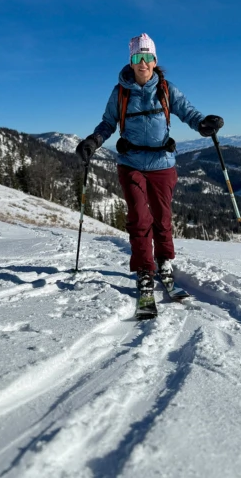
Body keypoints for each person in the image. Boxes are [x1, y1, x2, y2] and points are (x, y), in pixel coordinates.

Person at [75, 33, 224, 300]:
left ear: (154, 61)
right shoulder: (120, 92)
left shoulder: (166, 89)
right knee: (139, 218)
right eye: (137, 57)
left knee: (162, 217)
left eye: (147, 57)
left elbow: (188, 112)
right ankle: (145, 270)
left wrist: (203, 124)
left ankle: (164, 262)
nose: (142, 62)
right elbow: (108, 123)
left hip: (162, 164)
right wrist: (93, 141)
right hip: (130, 163)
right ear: (131, 62)